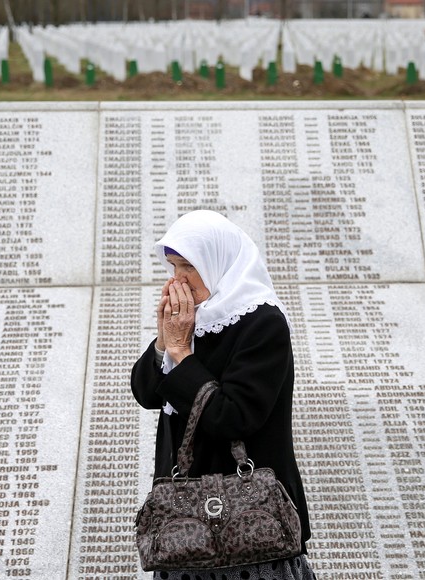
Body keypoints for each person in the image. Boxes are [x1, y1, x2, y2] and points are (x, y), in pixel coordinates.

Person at [131, 210, 315, 580]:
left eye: (189, 267)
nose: (178, 281)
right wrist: (165, 340)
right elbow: (148, 394)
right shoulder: (195, 319)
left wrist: (182, 353)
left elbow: (235, 416)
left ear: (217, 262)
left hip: (250, 516)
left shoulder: (263, 322)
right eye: (172, 267)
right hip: (186, 523)